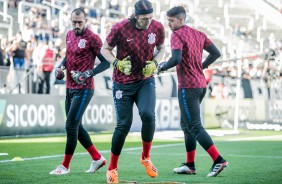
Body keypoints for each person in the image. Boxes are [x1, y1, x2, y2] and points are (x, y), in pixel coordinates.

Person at [158, 6, 228, 177]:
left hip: (188, 86)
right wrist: (202, 66)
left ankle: (218, 160)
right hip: (200, 85)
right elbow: (216, 53)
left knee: (194, 126)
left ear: (180, 20)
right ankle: (190, 165)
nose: (169, 24)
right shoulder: (198, 33)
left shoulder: (177, 34)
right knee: (186, 125)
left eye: (172, 20)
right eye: (168, 20)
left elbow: (176, 58)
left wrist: (162, 67)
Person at [101, 0, 165, 183]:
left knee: (148, 115)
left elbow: (161, 49)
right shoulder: (120, 28)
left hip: (145, 80)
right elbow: (104, 49)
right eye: (145, 19)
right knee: (124, 124)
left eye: (150, 18)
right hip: (122, 83)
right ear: (135, 15)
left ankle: (145, 157)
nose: (148, 22)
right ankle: (112, 169)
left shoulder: (158, 27)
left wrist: (154, 63)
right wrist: (116, 63)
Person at [49, 8, 110, 175]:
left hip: (84, 88)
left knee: (70, 125)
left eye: (79, 22)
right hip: (69, 87)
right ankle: (97, 158)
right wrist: (60, 68)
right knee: (77, 126)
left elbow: (106, 63)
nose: (76, 25)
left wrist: (87, 73)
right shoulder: (69, 35)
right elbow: (67, 58)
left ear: (86, 21)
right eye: (74, 22)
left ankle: (65, 166)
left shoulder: (93, 38)